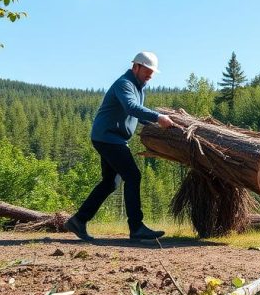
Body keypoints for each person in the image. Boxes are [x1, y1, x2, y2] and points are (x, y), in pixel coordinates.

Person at [65, 51, 179, 242]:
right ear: (136, 67)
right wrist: (158, 117)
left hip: (110, 138)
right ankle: (136, 227)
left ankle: (78, 220)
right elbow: (131, 107)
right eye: (147, 71)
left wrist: (159, 125)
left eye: (152, 72)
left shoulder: (139, 86)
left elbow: (138, 115)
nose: (150, 76)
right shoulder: (124, 84)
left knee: (110, 183)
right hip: (108, 138)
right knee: (133, 176)